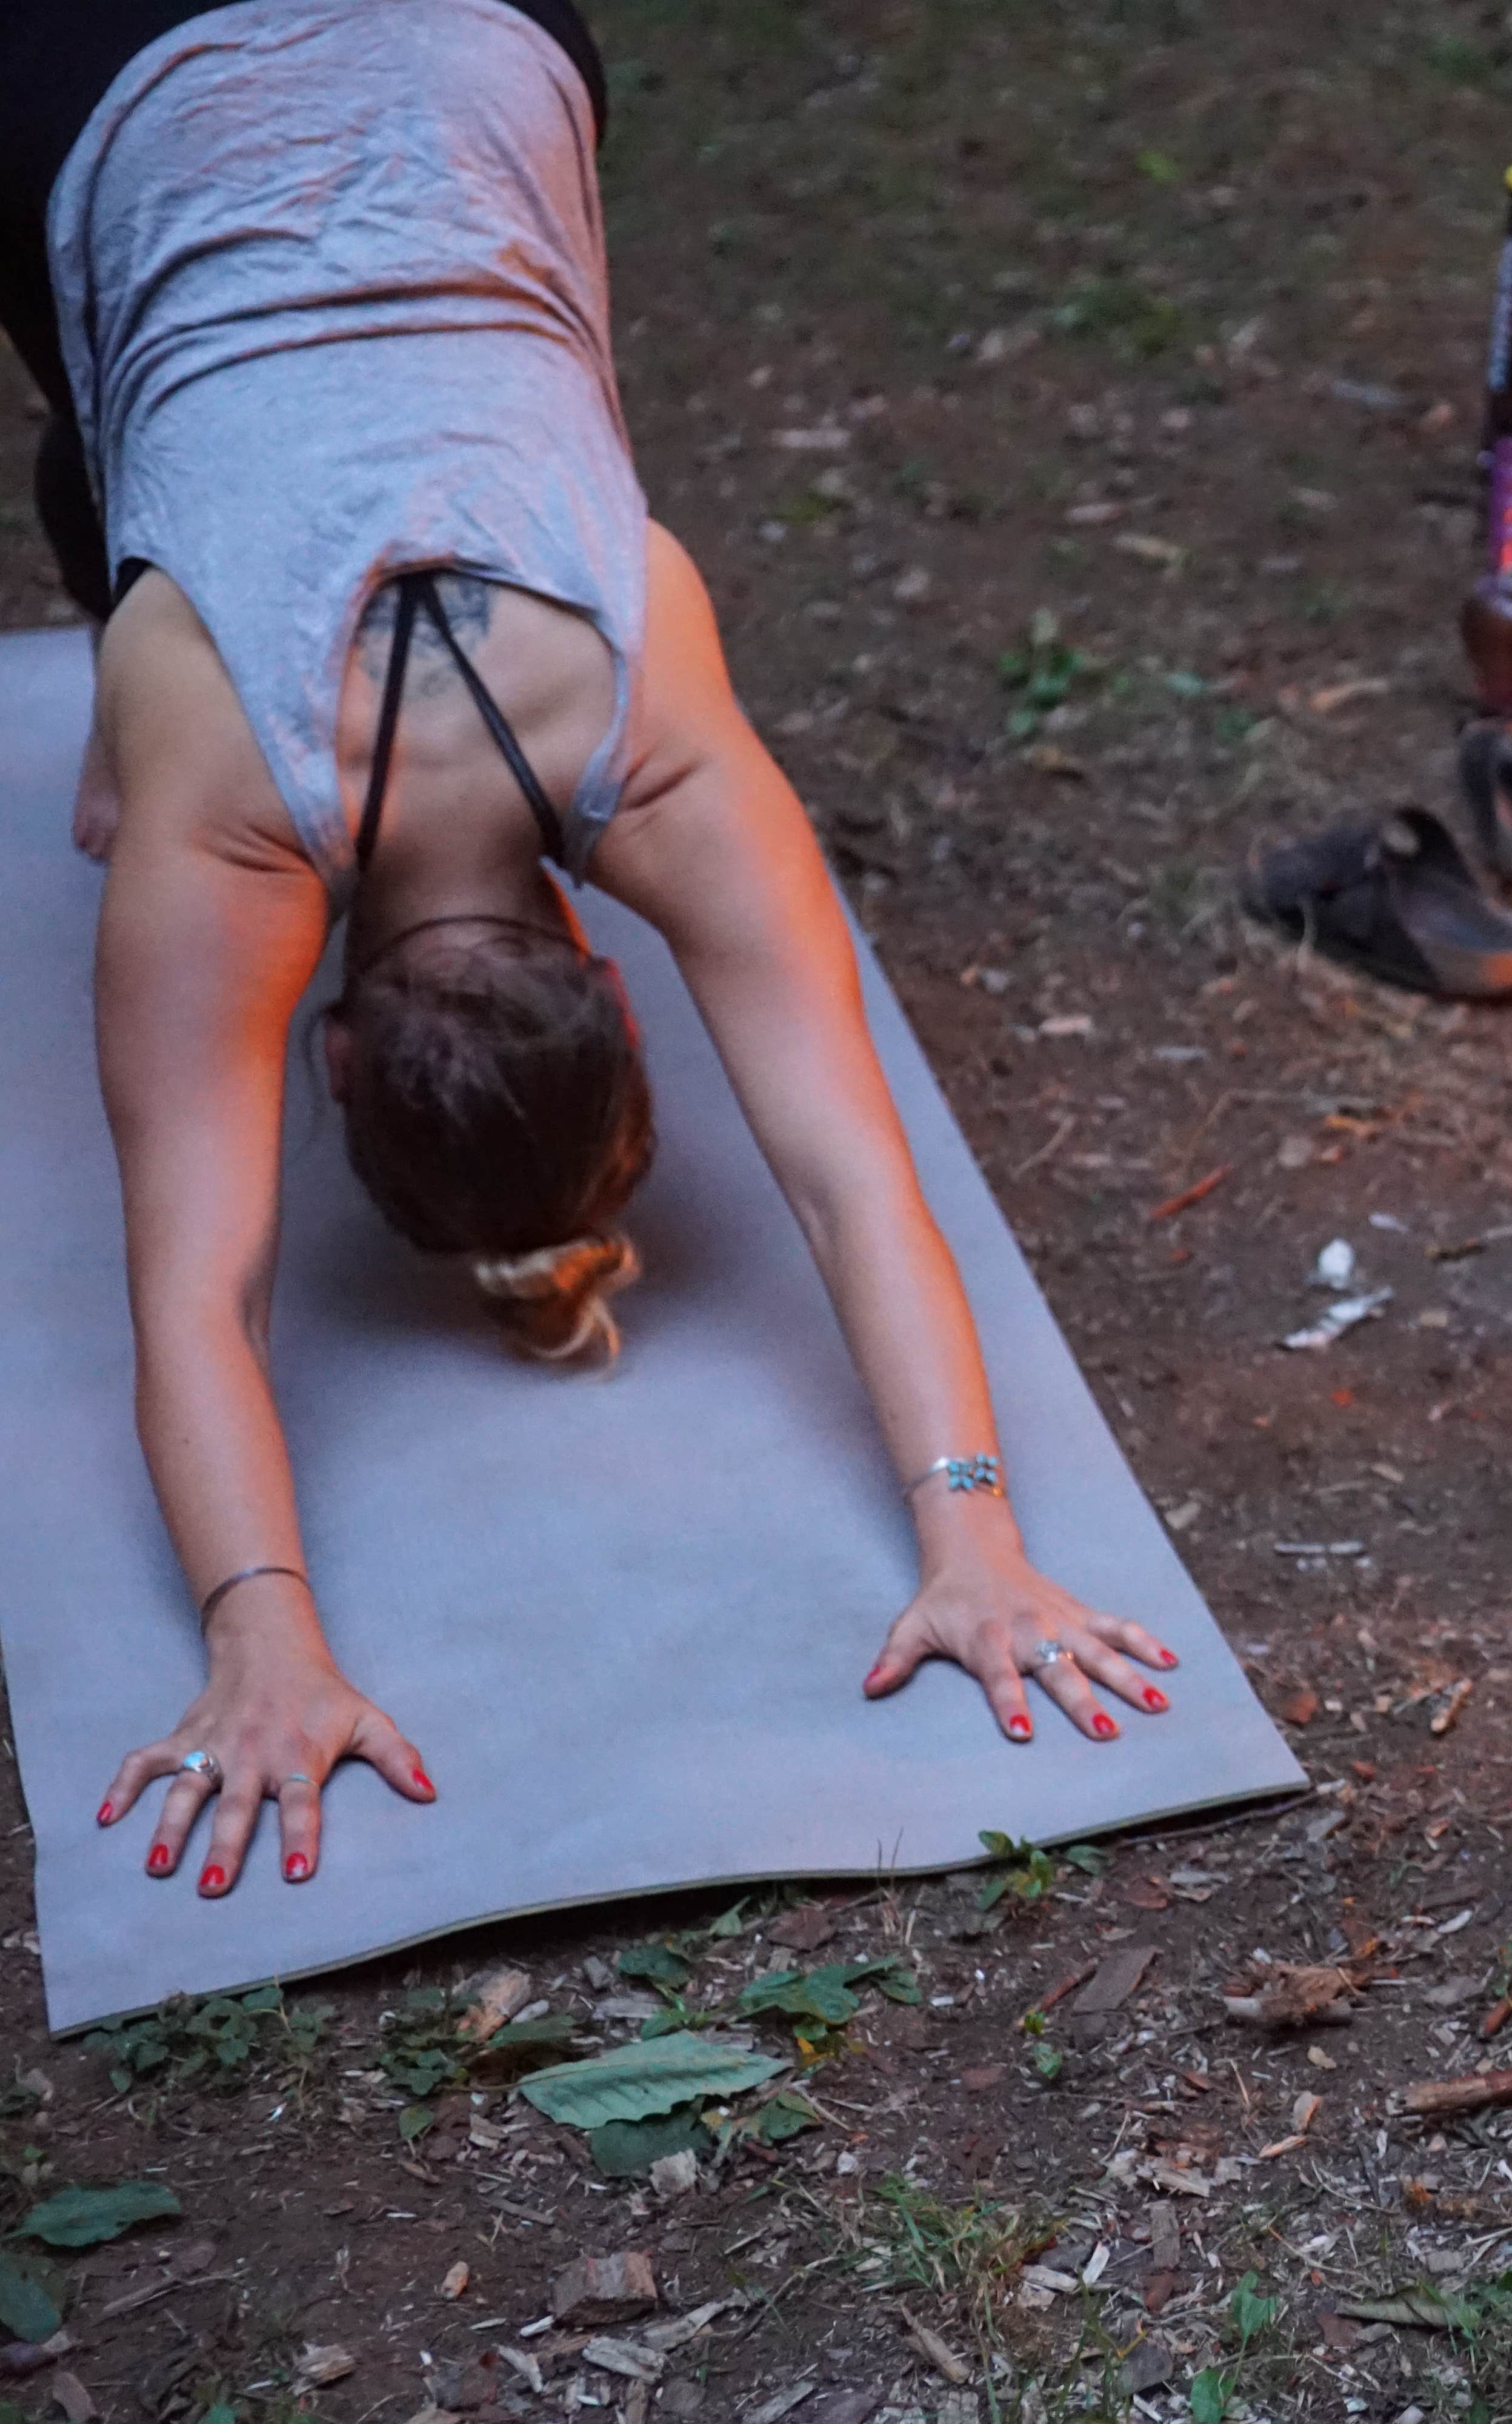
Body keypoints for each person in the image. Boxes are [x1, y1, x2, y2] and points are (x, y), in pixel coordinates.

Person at [2, 0, 1180, 1903]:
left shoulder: (648, 681)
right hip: (119, 75)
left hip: (481, 51)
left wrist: (983, 1543)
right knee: (142, 402)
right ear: (329, 1057)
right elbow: (196, 1297)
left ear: (621, 996)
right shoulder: (216, 797)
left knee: (142, 436)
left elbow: (847, 1181)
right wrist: (262, 1638)